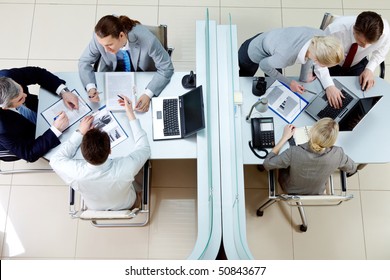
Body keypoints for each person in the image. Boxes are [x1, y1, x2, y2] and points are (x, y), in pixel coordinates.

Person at [50, 95, 150, 211]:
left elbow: (55, 160)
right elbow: (144, 148)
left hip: (94, 208)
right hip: (127, 205)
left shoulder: (76, 174)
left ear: (83, 153)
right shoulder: (126, 167)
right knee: (142, 166)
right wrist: (130, 115)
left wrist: (79, 132)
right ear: (110, 151)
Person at [79, 14, 174, 112]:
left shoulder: (148, 40)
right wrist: (91, 87)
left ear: (121, 35)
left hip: (143, 74)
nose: (105, 50)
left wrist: (148, 94)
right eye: (103, 46)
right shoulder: (99, 38)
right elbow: (84, 61)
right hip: (115, 76)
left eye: (109, 45)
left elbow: (166, 68)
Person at [0, 66, 79, 162]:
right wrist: (55, 130)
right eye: (20, 99)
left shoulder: (6, 76)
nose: (25, 95)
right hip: (13, 140)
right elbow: (29, 153)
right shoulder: (2, 129)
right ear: (5, 107)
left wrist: (64, 92)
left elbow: (38, 73)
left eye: (21, 89)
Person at [263, 118, 357, 195]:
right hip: (317, 191)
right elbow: (353, 169)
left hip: (291, 189)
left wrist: (284, 138)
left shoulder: (294, 152)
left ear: (312, 131)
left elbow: (267, 164)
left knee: (286, 163)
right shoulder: (338, 153)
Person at [316, 11, 390, 108]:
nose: (364, 47)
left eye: (369, 44)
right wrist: (329, 86)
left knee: (360, 99)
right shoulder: (335, 30)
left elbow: (381, 52)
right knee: (324, 98)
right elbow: (317, 59)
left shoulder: (384, 33)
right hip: (331, 62)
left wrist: (369, 69)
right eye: (360, 42)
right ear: (354, 30)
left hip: (357, 62)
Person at [238, 27, 344, 94]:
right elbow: (264, 65)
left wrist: (304, 77)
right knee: (245, 77)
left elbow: (309, 53)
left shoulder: (320, 38)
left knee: (274, 79)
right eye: (322, 64)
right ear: (316, 58)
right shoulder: (286, 58)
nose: (322, 67)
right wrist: (289, 83)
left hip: (272, 42)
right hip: (252, 52)